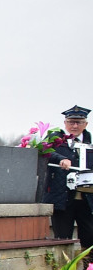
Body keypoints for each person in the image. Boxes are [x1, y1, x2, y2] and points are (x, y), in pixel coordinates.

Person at [45, 105, 93, 250]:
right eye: (71, 122)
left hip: (88, 200)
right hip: (62, 199)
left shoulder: (90, 142)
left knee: (90, 238)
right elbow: (45, 152)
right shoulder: (56, 140)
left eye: (79, 122)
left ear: (86, 124)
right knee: (62, 239)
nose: (75, 125)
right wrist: (61, 159)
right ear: (65, 123)